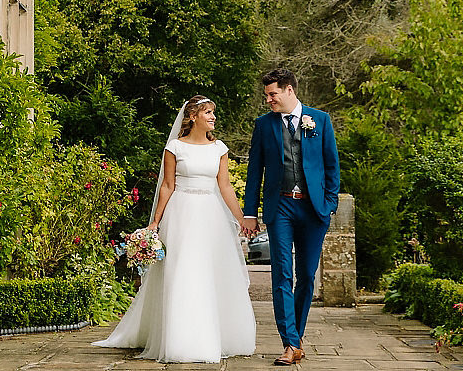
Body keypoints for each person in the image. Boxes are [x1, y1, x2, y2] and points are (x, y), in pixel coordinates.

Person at [94, 95, 256, 363]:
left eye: (213, 113)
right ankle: (181, 339)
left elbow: (225, 186)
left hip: (211, 214)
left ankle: (217, 334)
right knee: (183, 271)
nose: (213, 117)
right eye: (208, 113)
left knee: (211, 271)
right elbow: (167, 186)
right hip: (182, 213)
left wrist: (241, 218)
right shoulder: (175, 148)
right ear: (192, 117)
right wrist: (155, 221)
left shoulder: (220, 149)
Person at [241, 69, 340, 366]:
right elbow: (254, 171)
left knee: (306, 277)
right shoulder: (263, 125)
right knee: (282, 274)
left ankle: (295, 339)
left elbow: (332, 165)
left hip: (313, 209)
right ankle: (290, 343)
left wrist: (330, 204)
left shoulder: (319, 120)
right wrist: (250, 212)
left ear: (289, 91)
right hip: (280, 206)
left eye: (272, 94)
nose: (268, 99)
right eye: (267, 95)